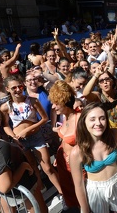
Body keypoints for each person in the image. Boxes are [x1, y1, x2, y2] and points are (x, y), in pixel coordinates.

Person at [0, 75, 62, 197]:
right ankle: (40, 188)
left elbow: (44, 119)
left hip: (36, 138)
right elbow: (5, 126)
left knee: (48, 168)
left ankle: (63, 192)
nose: (18, 90)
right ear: (7, 89)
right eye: (14, 88)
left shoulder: (33, 101)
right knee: (32, 166)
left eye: (20, 86)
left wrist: (28, 129)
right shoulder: (5, 107)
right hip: (20, 141)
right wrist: (13, 137)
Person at [69, 102, 117, 213]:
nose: (98, 123)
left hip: (116, 183)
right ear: (84, 122)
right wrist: (84, 209)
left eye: (102, 118)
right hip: (95, 191)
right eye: (92, 119)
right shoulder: (77, 152)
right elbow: (79, 185)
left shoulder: (113, 134)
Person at [49, 80, 81, 211]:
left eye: (56, 103)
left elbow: (88, 145)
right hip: (63, 167)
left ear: (65, 101)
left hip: (78, 168)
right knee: (71, 200)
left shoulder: (80, 119)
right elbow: (66, 140)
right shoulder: (65, 117)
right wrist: (60, 152)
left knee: (82, 199)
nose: (52, 106)